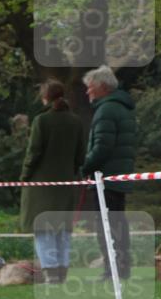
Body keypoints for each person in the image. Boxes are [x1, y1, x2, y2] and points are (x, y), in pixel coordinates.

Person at [20, 79, 86, 284]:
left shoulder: (41, 121)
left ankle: (50, 273)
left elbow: (34, 153)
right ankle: (62, 273)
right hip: (66, 184)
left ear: (45, 97)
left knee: (43, 231)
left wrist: (24, 176)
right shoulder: (76, 121)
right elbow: (80, 155)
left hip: (42, 186)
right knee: (63, 231)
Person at [80, 65, 137, 281]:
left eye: (90, 87)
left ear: (102, 87)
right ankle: (121, 268)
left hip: (106, 177)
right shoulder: (122, 107)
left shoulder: (106, 110)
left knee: (106, 227)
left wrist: (85, 167)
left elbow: (102, 146)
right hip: (118, 175)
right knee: (117, 224)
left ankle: (112, 270)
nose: (88, 92)